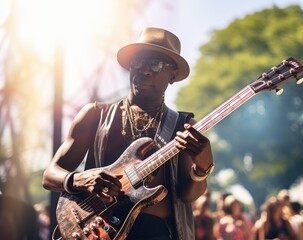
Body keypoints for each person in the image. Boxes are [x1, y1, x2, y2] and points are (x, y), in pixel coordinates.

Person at [42, 27, 214, 240]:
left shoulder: (184, 125)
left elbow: (187, 196)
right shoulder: (95, 115)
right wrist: (81, 179)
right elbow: (50, 175)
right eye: (139, 61)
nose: (145, 70)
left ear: (172, 75)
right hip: (99, 230)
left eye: (156, 64)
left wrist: (203, 168)